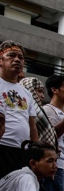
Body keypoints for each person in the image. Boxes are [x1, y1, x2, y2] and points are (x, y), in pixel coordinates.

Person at [0, 41, 38, 179]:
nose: (17, 60)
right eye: (11, 55)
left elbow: (32, 124)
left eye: (20, 57)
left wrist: (36, 151)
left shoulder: (26, 93)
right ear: (1, 61)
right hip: (2, 146)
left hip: (22, 150)